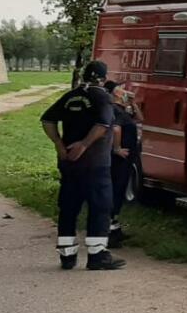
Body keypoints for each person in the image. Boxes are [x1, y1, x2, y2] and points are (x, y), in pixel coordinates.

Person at [40, 61, 125, 271]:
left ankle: (67, 256)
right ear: (104, 78)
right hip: (95, 164)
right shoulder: (103, 97)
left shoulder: (71, 95)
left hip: (69, 163)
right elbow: (103, 125)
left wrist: (60, 144)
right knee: (100, 208)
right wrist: (85, 144)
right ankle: (97, 256)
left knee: (68, 207)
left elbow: (47, 119)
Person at [104, 80, 141, 248]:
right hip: (120, 159)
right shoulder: (115, 109)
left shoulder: (124, 109)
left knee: (119, 191)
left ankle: (115, 229)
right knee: (117, 191)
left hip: (128, 157)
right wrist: (117, 148)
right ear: (113, 93)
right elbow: (116, 129)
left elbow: (140, 118)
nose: (123, 90)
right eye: (119, 88)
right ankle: (110, 233)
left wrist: (133, 103)